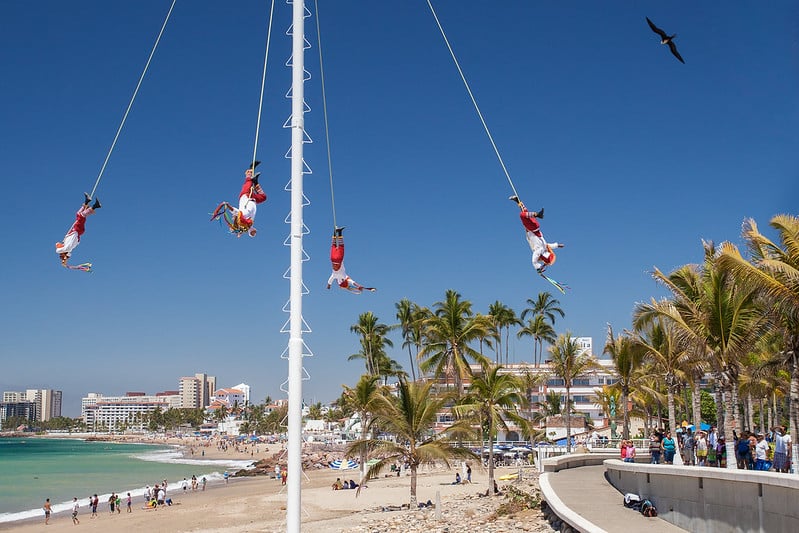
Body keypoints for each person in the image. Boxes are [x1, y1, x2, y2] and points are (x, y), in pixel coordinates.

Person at [509, 196, 564, 273]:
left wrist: (558, 245)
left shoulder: (543, 248)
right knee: (522, 215)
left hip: (535, 227)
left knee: (525, 212)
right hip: (533, 228)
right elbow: (534, 260)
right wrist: (538, 268)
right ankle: (537, 214)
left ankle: (517, 200)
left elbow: (549, 246)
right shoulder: (539, 251)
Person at [56, 193, 101, 266]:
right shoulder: (66, 248)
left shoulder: (67, 247)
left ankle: (87, 201)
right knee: (81, 215)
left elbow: (62, 248)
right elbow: (58, 247)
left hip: (78, 231)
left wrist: (64, 257)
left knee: (79, 214)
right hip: (77, 230)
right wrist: (64, 260)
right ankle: (95, 206)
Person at [326, 227, 376, 293]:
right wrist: (329, 286)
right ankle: (335, 232)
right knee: (333, 245)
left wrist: (359, 286)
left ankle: (339, 232)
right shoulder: (334, 275)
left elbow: (353, 283)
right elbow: (329, 282)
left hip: (339, 259)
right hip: (332, 259)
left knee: (341, 246)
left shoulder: (344, 276)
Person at [231, 161, 267, 237]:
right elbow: (251, 232)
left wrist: (226, 205)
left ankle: (251, 168)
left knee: (248, 182)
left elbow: (233, 210)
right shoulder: (249, 224)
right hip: (253, 199)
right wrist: (242, 232)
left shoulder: (241, 215)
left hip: (246, 196)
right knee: (263, 197)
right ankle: (256, 181)